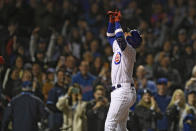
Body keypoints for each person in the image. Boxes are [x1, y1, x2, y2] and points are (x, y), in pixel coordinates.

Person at [104, 10, 142, 131]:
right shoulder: (121, 47)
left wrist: (117, 22)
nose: (127, 33)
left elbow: (119, 38)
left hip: (123, 91)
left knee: (109, 125)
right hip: (122, 91)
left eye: (129, 34)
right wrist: (111, 21)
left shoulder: (129, 50)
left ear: (132, 39)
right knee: (121, 127)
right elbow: (110, 36)